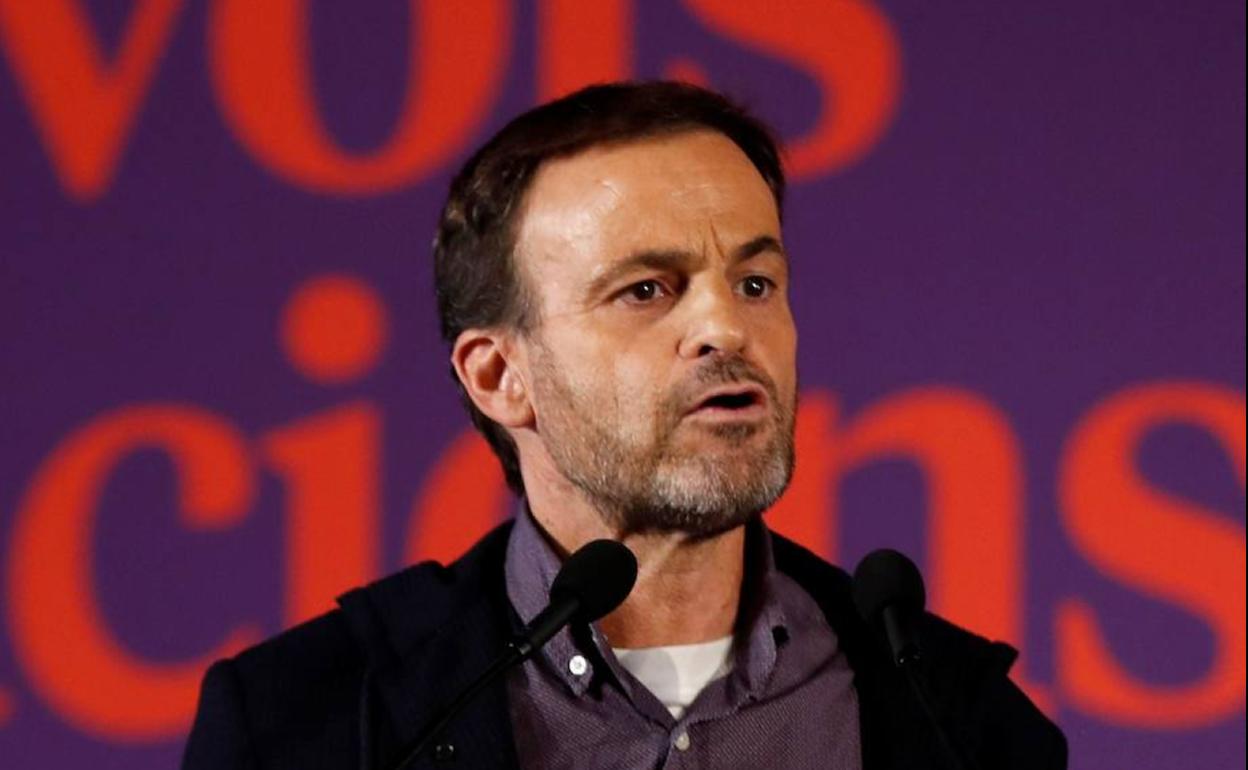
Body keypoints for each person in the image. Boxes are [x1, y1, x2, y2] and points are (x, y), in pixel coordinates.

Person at [183, 81, 1066, 770]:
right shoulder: (307, 723)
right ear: (500, 377)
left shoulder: (960, 719)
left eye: (755, 283)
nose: (726, 327)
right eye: (645, 290)